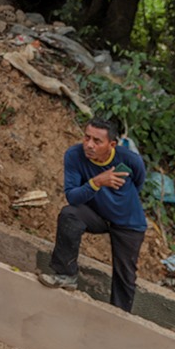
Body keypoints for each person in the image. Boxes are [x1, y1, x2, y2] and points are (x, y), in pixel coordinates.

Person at [39, 118, 147, 313]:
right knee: (69, 214)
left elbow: (139, 182)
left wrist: (119, 202)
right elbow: (72, 196)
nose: (89, 145)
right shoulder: (74, 155)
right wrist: (96, 182)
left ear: (111, 144)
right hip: (95, 216)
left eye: (97, 141)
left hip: (128, 223)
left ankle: (117, 318)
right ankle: (66, 274)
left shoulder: (129, 159)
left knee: (125, 276)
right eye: (87, 137)